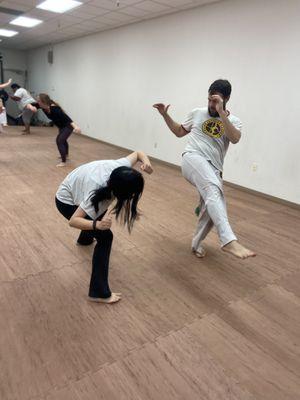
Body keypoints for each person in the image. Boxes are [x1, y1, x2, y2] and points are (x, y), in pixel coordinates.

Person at [153, 79, 256, 260]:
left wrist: (221, 113)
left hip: (214, 169)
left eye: (215, 101)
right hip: (192, 158)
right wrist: (165, 115)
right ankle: (228, 240)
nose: (210, 104)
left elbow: (234, 138)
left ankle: (196, 244)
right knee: (212, 191)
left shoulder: (234, 121)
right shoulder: (197, 113)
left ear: (226, 99)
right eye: (209, 100)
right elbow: (179, 132)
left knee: (210, 211)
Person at [55, 150, 153, 304]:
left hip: (76, 186)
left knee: (95, 216)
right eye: (132, 195)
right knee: (106, 237)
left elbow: (138, 153)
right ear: (119, 192)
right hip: (65, 201)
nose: (133, 197)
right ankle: (98, 292)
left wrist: (146, 163)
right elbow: (73, 221)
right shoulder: (97, 196)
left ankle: (85, 240)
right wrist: (97, 225)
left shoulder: (120, 168)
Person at [26, 94, 81, 167]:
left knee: (59, 140)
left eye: (38, 101)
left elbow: (67, 118)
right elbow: (28, 104)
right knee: (63, 140)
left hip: (67, 126)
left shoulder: (55, 108)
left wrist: (75, 126)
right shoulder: (41, 105)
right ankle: (66, 155)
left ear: (43, 101)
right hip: (61, 126)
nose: (37, 102)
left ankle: (63, 162)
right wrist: (31, 107)